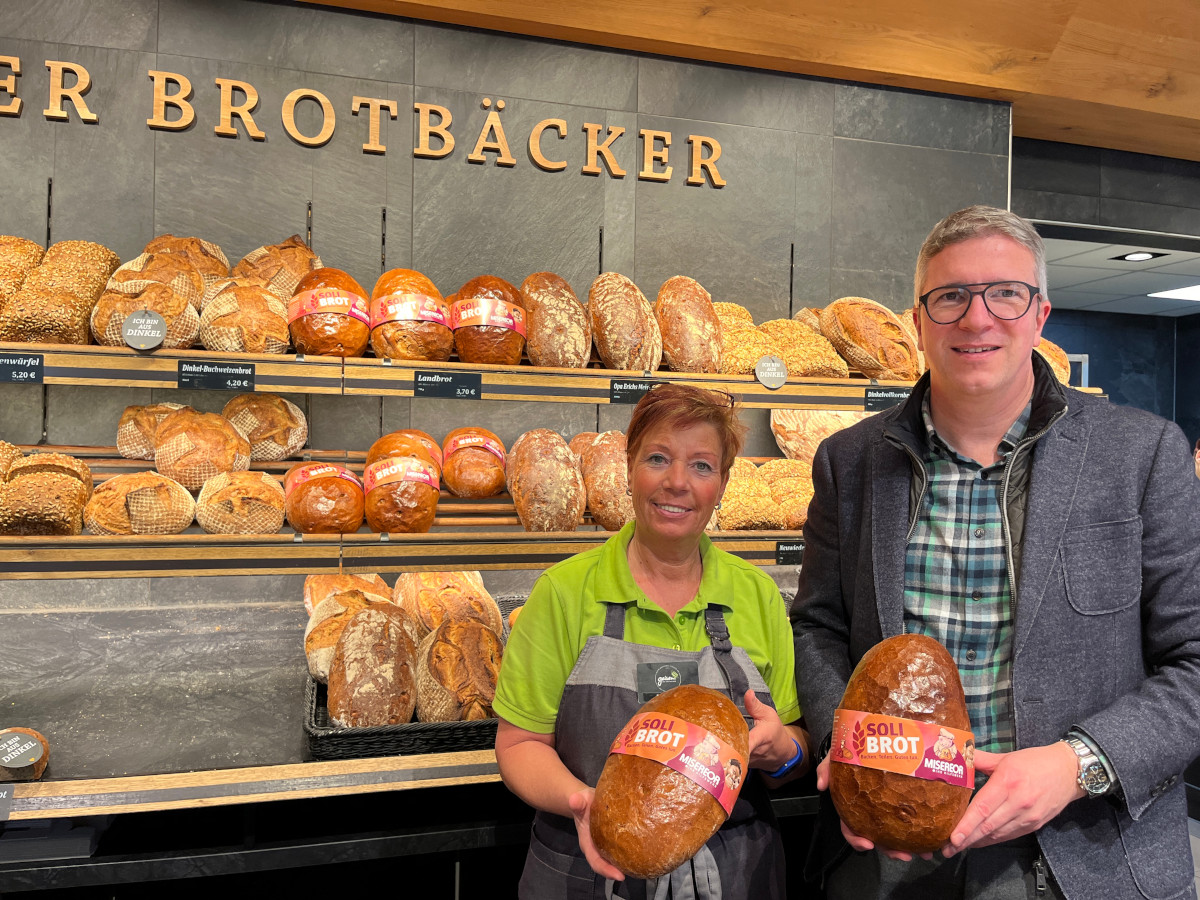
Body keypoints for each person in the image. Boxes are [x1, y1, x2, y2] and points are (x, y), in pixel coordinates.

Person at [792, 205, 1200, 899]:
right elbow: (818, 626)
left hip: (1082, 852)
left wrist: (1078, 764)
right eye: (950, 297)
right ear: (918, 324)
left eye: (1004, 293)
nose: (977, 320)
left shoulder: (1142, 453)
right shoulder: (849, 460)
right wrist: (848, 743)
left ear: (1040, 314)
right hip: (891, 850)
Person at [494, 383, 811, 899]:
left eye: (702, 466)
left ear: (724, 483)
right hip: (587, 865)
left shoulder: (757, 596)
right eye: (658, 458)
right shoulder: (565, 592)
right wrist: (584, 804)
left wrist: (784, 752)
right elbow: (519, 745)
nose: (677, 483)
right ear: (629, 467)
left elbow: (795, 745)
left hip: (735, 874)